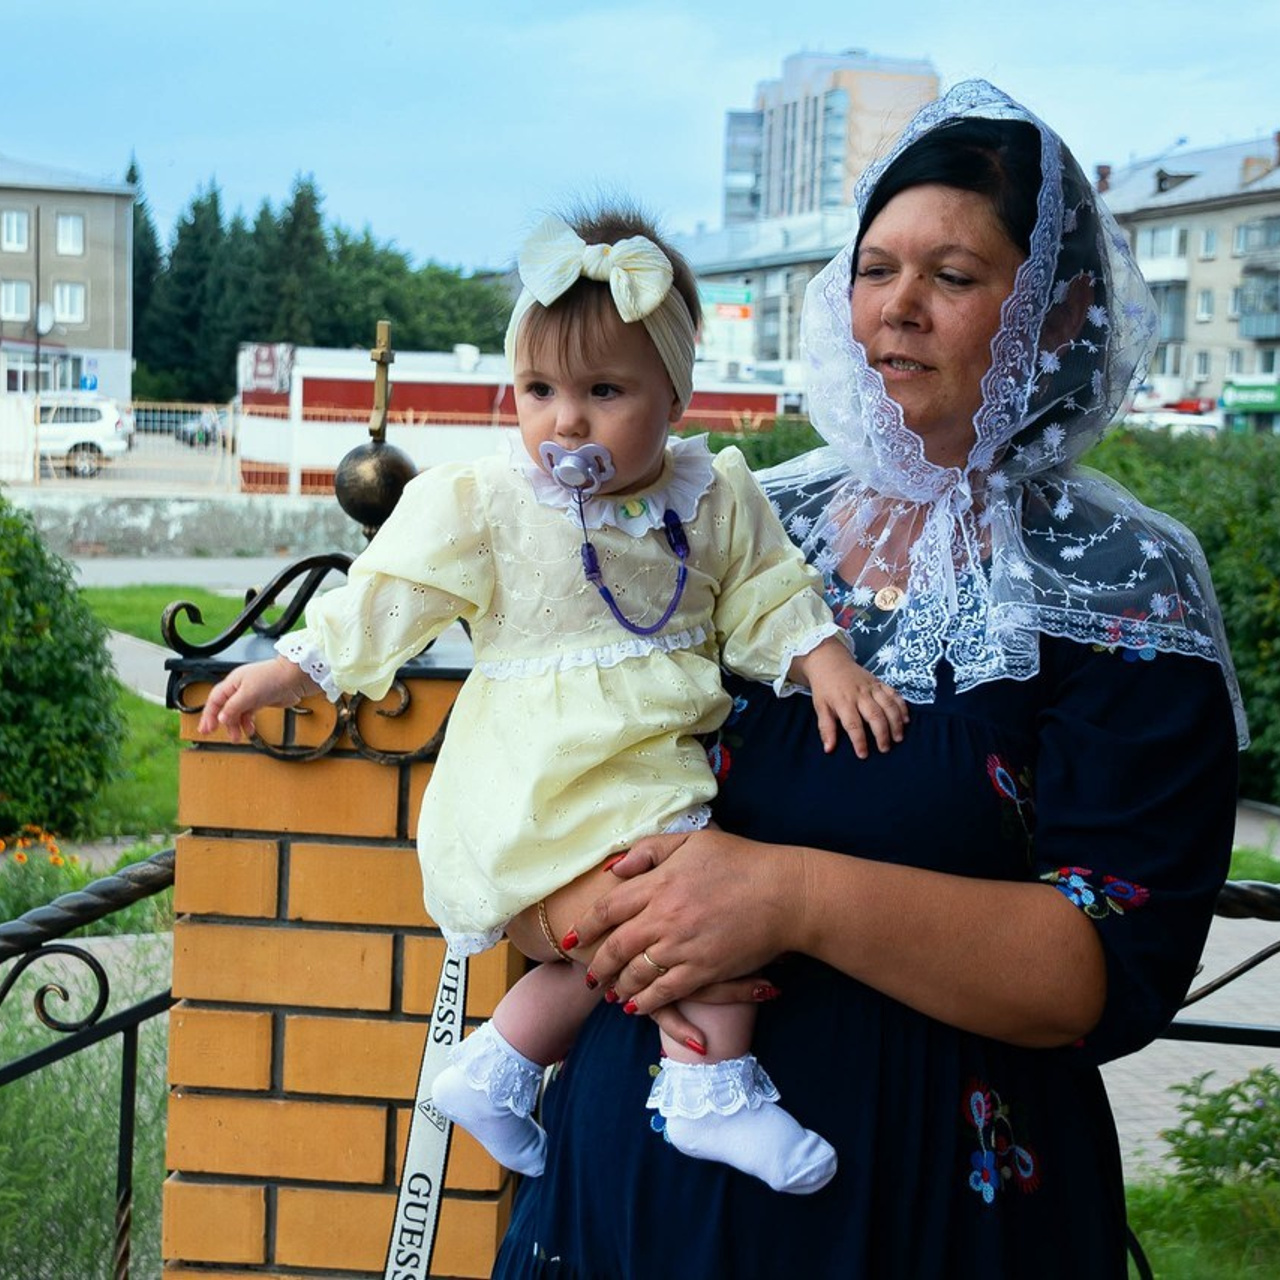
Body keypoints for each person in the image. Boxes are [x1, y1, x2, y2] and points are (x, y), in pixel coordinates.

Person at [492, 81, 1248, 1279]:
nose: (895, 308)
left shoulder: (1122, 581)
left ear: (1056, 314)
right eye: (874, 267)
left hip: (930, 1222)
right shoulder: (722, 519)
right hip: (624, 1211)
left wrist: (787, 896)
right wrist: (557, 912)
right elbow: (527, 773)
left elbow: (1100, 964)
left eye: (950, 276)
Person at [197, 206, 909, 1196]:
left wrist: (821, 657)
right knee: (677, 906)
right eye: (537, 390)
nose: (563, 421)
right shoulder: (491, 502)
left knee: (651, 923)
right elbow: (389, 587)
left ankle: (494, 1065)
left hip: (644, 770)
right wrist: (303, 664)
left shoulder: (712, 496)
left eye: (602, 390)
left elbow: (764, 589)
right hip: (539, 779)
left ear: (671, 392)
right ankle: (709, 1086)